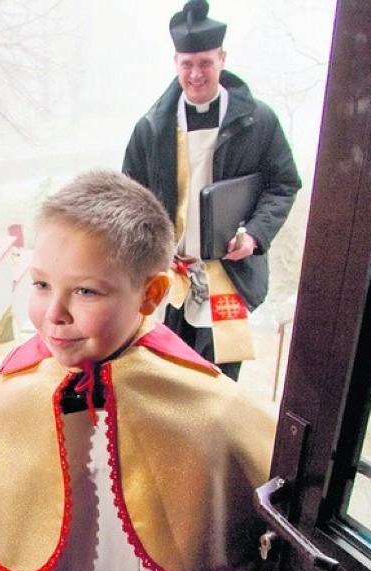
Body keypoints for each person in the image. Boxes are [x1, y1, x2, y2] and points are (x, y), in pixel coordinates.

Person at [0, 169, 276, 571]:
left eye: (86, 292)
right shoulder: (10, 387)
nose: (54, 313)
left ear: (151, 295)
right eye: (42, 284)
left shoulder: (204, 408)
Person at [123, 0, 302, 381]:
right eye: (187, 64)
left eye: (205, 62)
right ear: (176, 63)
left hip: (228, 276)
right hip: (172, 275)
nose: (196, 73)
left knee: (220, 384)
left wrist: (255, 234)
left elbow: (283, 183)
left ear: (222, 58)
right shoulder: (151, 129)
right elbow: (128, 199)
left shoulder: (259, 121)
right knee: (170, 377)